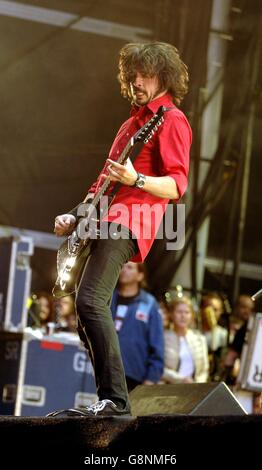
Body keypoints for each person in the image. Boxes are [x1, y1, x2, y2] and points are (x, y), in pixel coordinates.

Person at [48, 41, 192, 417]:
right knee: (84, 313)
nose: (136, 83)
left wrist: (137, 177)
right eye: (131, 77)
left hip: (129, 222)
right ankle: (109, 398)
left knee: (90, 301)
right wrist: (75, 216)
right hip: (102, 219)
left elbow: (177, 186)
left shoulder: (172, 120)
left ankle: (117, 400)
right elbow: (101, 185)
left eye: (143, 75)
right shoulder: (130, 124)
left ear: (164, 76)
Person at [111, 261, 164, 391]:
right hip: (103, 372)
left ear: (140, 275)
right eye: (122, 265)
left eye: (130, 267)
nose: (124, 269)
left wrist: (151, 379)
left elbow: (157, 345)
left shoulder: (149, 304)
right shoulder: (107, 298)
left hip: (133, 376)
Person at [162, 297, 209, 384]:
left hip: (194, 389)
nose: (183, 316)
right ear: (171, 314)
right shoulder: (163, 337)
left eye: (187, 312)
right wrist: (181, 380)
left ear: (192, 316)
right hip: (169, 388)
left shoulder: (199, 339)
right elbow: (159, 368)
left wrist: (198, 384)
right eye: (179, 312)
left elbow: (204, 370)